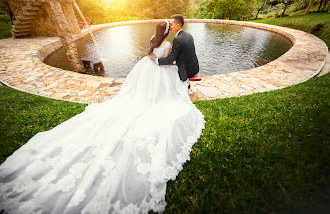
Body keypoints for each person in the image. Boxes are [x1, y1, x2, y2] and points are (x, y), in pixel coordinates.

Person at [0, 20, 205, 214]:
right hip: (158, 69)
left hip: (146, 69)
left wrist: (153, 58)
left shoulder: (153, 38)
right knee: (168, 86)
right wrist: (167, 62)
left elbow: (151, 55)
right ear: (168, 31)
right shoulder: (167, 43)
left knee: (137, 94)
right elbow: (165, 61)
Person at [150, 14, 199, 86]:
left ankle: (183, 84)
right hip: (194, 67)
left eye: (171, 25)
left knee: (167, 71)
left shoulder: (177, 39)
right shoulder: (188, 35)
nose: (169, 27)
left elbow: (170, 60)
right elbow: (185, 54)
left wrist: (155, 59)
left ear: (177, 26)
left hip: (186, 71)